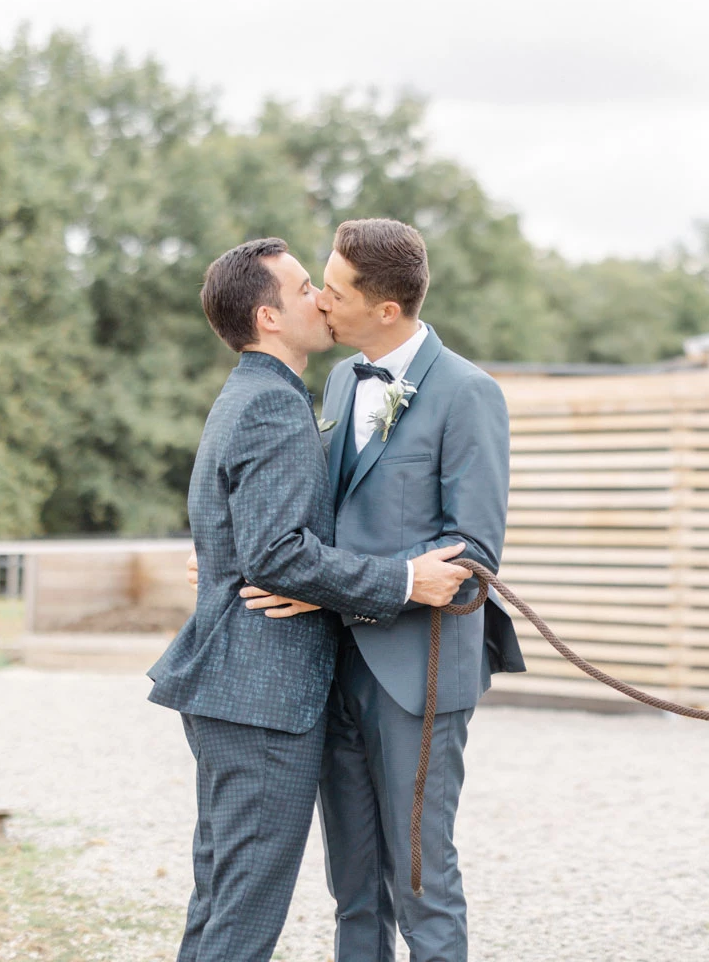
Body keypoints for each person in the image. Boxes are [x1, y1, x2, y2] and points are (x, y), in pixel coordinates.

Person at [148, 237, 474, 962]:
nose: (320, 300)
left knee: (222, 899)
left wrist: (244, 561)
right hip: (261, 694)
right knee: (242, 914)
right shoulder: (273, 402)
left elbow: (263, 531)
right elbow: (276, 553)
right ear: (268, 317)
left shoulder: (255, 392)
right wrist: (402, 580)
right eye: (304, 289)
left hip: (245, 689)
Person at [242, 217, 522, 962]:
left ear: (386, 308)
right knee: (354, 886)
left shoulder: (469, 393)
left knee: (423, 882)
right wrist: (234, 554)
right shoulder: (340, 379)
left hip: (418, 672)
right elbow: (317, 510)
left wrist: (338, 590)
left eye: (334, 292)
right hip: (331, 666)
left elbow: (473, 554)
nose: (319, 301)